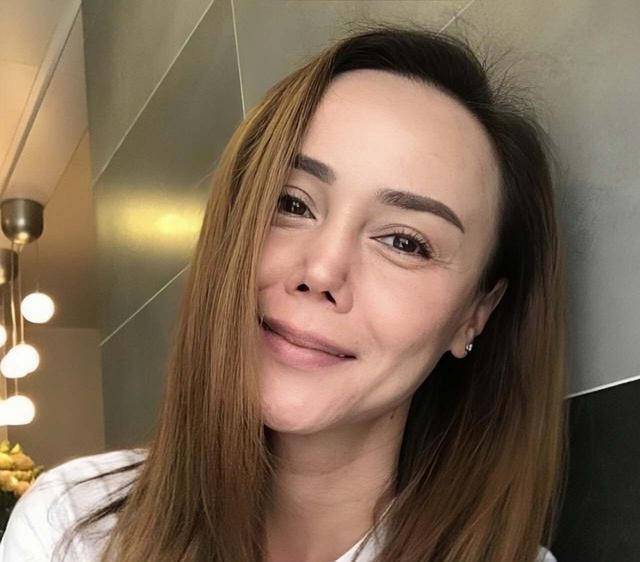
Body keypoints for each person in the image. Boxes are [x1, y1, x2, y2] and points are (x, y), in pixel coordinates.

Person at [0, 23, 566, 562]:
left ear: (475, 314)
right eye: (291, 203)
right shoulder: (71, 525)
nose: (320, 270)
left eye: (405, 242)